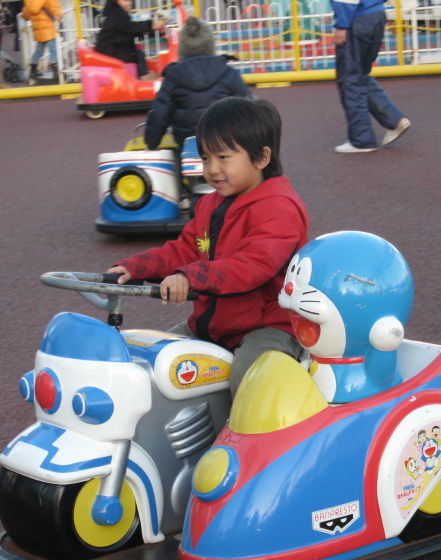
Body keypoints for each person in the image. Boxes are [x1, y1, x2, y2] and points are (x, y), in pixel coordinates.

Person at [108, 97, 310, 396]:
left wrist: (189, 277)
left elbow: (252, 267)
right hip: (216, 326)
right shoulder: (209, 205)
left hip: (269, 327)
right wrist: (133, 267)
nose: (212, 169)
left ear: (261, 158)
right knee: (154, 359)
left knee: (250, 376)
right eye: (205, 158)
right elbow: (184, 250)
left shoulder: (278, 208)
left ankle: (247, 427)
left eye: (223, 157)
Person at [143, 16, 249, 151]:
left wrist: (151, 143)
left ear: (182, 48)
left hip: (187, 140)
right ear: (210, 44)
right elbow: (247, 108)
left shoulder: (173, 76)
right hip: (224, 139)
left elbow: (159, 114)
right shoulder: (227, 71)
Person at [331, 0, 411, 153]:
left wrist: (341, 24)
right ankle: (394, 120)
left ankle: (362, 140)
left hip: (357, 19)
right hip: (376, 15)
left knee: (350, 79)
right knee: (360, 75)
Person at [95, 0, 167, 80]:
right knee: (138, 53)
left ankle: (145, 76)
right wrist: (152, 25)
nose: (129, 3)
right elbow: (131, 28)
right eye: (125, 1)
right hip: (112, 54)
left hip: (115, 50)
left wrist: (152, 30)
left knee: (138, 52)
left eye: (129, 0)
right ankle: (145, 78)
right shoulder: (116, 16)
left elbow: (130, 31)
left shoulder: (118, 14)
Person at [22, 0, 63, 83]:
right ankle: (56, 71)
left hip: (38, 29)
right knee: (53, 50)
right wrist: (58, 15)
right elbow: (53, 5)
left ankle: (33, 70)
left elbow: (26, 15)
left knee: (38, 51)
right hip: (48, 26)